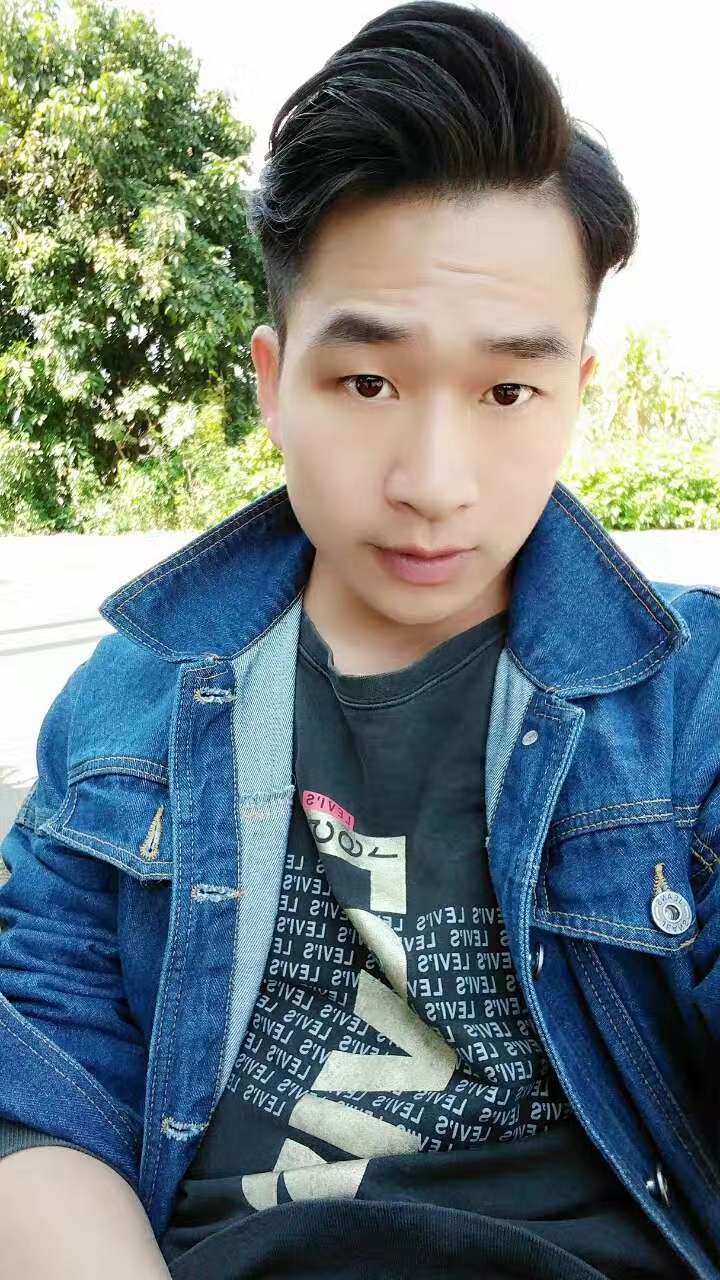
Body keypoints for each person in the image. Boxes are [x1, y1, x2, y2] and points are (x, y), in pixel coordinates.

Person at [0, 2, 718, 1276]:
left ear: (575, 393)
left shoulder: (691, 700)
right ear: (272, 381)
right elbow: (38, 1084)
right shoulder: (125, 714)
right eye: (368, 382)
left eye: (508, 390)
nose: (434, 482)